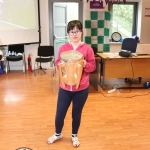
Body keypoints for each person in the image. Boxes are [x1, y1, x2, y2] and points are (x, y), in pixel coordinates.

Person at [47, 20, 96, 147]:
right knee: (60, 114)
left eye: (77, 31)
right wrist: (63, 65)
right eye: (72, 31)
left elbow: (93, 66)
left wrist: (85, 64)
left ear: (81, 32)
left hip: (81, 89)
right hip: (65, 88)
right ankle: (58, 133)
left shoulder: (87, 49)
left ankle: (74, 135)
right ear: (68, 33)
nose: (75, 34)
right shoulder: (63, 48)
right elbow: (57, 63)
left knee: (76, 114)